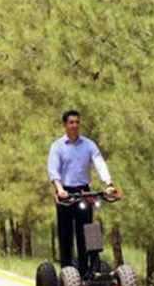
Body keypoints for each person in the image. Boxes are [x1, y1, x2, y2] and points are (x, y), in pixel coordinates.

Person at [46, 110, 118, 276]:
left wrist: (109, 184)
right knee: (66, 234)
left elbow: (99, 163)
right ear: (65, 125)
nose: (74, 125)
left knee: (87, 230)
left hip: (84, 191)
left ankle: (89, 270)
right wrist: (59, 188)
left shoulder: (88, 145)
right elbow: (53, 170)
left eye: (77, 122)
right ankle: (66, 272)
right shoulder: (57, 146)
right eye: (71, 122)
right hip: (65, 193)